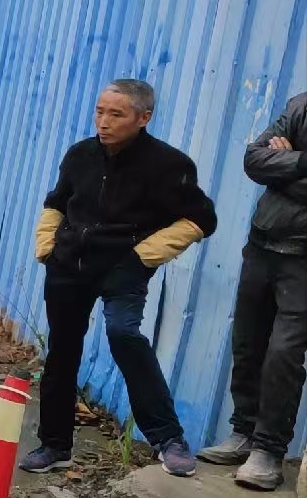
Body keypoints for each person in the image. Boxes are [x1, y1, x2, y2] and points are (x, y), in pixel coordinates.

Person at [22, 80, 218, 477]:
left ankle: (168, 438)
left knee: (124, 335)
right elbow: (57, 202)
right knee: (61, 352)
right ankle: (55, 445)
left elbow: (201, 219)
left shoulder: (169, 165)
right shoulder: (80, 154)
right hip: (69, 266)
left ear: (144, 118)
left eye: (116, 114)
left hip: (122, 269)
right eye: (99, 111)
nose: (103, 122)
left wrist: (141, 257)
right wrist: (47, 247)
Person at [197, 92, 307, 491]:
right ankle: (243, 432)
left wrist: (285, 168)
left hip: (303, 261)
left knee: (284, 354)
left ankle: (269, 451)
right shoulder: (301, 105)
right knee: (247, 342)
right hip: (262, 247)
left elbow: (270, 168)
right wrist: (301, 162)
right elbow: (253, 159)